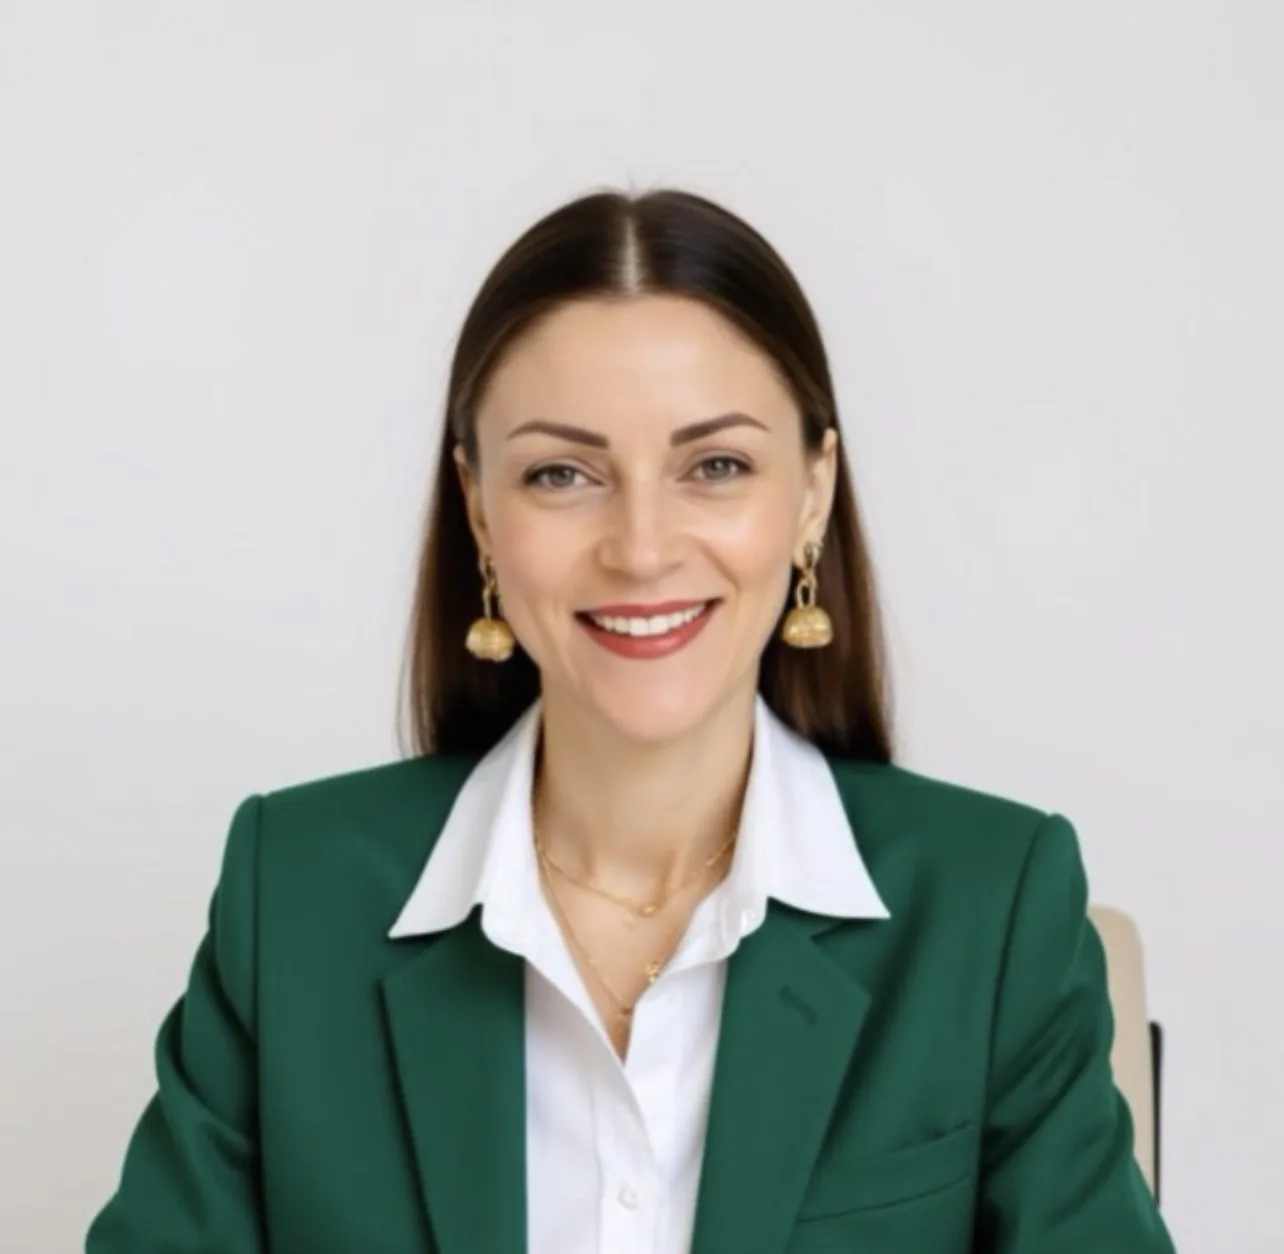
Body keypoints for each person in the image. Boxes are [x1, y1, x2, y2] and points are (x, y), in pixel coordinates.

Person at [86, 187, 1177, 1254]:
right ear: (479, 509)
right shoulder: (293, 895)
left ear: (811, 494)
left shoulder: (993, 910)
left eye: (716, 466)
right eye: (562, 474)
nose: (642, 549)